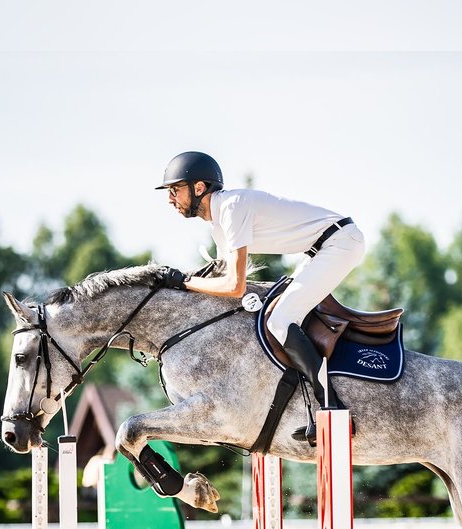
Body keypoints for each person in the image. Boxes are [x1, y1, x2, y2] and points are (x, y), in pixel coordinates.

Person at [154, 150, 365, 415]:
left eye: (175, 190)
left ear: (199, 187)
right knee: (273, 312)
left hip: (340, 243)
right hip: (319, 250)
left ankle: (330, 403)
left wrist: (185, 282)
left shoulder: (232, 207)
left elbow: (234, 286)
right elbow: (221, 284)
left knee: (280, 320)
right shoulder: (218, 224)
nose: (170, 199)